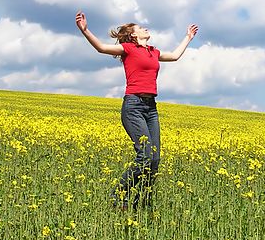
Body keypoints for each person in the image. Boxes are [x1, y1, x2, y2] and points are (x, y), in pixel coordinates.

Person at [75, 12, 198, 209]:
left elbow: (174, 56)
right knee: (145, 155)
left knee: (155, 159)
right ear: (133, 35)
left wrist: (188, 37)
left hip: (151, 108)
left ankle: (142, 202)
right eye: (140, 28)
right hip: (133, 106)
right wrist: (85, 30)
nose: (144, 28)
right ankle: (118, 195)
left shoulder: (153, 52)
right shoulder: (128, 49)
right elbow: (101, 48)